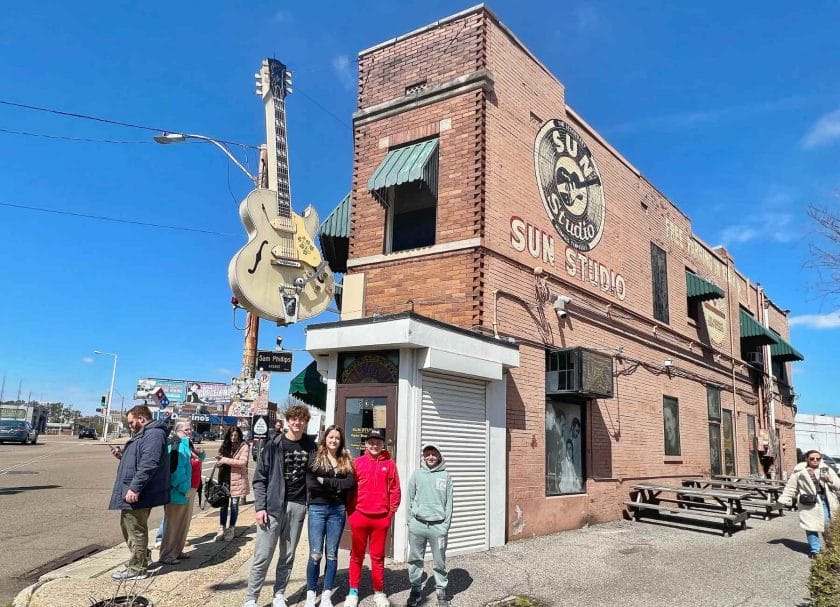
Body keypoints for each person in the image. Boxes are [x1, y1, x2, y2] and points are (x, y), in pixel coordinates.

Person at [243, 405, 315, 607]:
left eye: (301, 419)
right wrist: (260, 507)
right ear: (287, 420)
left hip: (298, 505)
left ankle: (279, 594)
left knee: (288, 555)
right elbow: (259, 479)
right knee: (263, 555)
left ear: (306, 421)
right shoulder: (273, 445)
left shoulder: (311, 446)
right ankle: (251, 598)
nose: (297, 422)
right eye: (293, 419)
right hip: (273, 508)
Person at [108, 405, 170, 581]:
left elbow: (149, 464)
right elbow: (140, 459)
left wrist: (135, 488)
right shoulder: (146, 434)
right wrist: (122, 455)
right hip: (135, 489)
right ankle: (141, 557)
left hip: (139, 492)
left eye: (131, 422)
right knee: (128, 525)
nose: (130, 425)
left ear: (142, 418)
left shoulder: (154, 434)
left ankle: (138, 568)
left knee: (135, 528)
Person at [345, 429, 401, 607]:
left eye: (378, 441)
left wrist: (390, 513)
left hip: (381, 519)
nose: (374, 445)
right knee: (356, 556)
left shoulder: (390, 464)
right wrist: (351, 513)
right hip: (359, 516)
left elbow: (395, 489)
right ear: (366, 444)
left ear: (383, 444)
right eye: (371, 442)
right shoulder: (357, 463)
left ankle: (379, 591)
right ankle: (353, 591)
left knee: (377, 557)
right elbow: (349, 489)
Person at [303, 425, 356, 607]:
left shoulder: (345, 459)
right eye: (331, 437)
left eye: (337, 438)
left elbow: (349, 482)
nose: (334, 440)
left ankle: (326, 594)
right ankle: (311, 593)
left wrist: (325, 481)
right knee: (315, 554)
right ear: (325, 438)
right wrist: (336, 485)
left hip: (337, 510)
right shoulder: (315, 457)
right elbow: (311, 484)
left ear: (341, 441)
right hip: (317, 509)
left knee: (332, 554)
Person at [406, 444, 453, 607]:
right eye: (427, 454)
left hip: (438, 527)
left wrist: (445, 525)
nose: (430, 457)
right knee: (415, 559)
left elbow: (449, 503)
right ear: (424, 456)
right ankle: (416, 589)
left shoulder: (445, 476)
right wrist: (409, 522)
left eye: (434, 454)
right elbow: (409, 499)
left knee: (439, 561)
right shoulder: (417, 474)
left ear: (439, 456)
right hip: (417, 525)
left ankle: (441, 590)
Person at [779, 449, 840, 557]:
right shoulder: (799, 471)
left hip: (825, 501)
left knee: (827, 525)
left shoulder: (825, 469)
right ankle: (815, 550)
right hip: (808, 502)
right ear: (806, 458)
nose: (815, 460)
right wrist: (783, 500)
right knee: (810, 526)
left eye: (818, 458)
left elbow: (838, 484)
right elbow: (791, 487)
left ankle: (831, 548)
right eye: (812, 458)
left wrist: (830, 480)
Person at [159, 421, 195, 564]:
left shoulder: (184, 444)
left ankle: (176, 551)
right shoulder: (176, 445)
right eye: (187, 429)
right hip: (176, 493)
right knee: (172, 526)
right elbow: (175, 471)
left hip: (182, 493)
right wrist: (185, 488)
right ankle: (167, 555)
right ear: (180, 430)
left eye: (190, 428)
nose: (190, 431)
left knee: (181, 525)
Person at [216, 425, 251, 541]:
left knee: (234, 505)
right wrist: (219, 463)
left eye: (236, 435)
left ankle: (231, 528)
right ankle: (222, 528)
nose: (233, 437)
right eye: (231, 435)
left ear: (239, 435)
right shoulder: (225, 445)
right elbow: (220, 460)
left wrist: (224, 460)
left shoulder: (244, 446)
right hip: (224, 478)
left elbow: (242, 462)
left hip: (236, 479)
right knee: (223, 505)